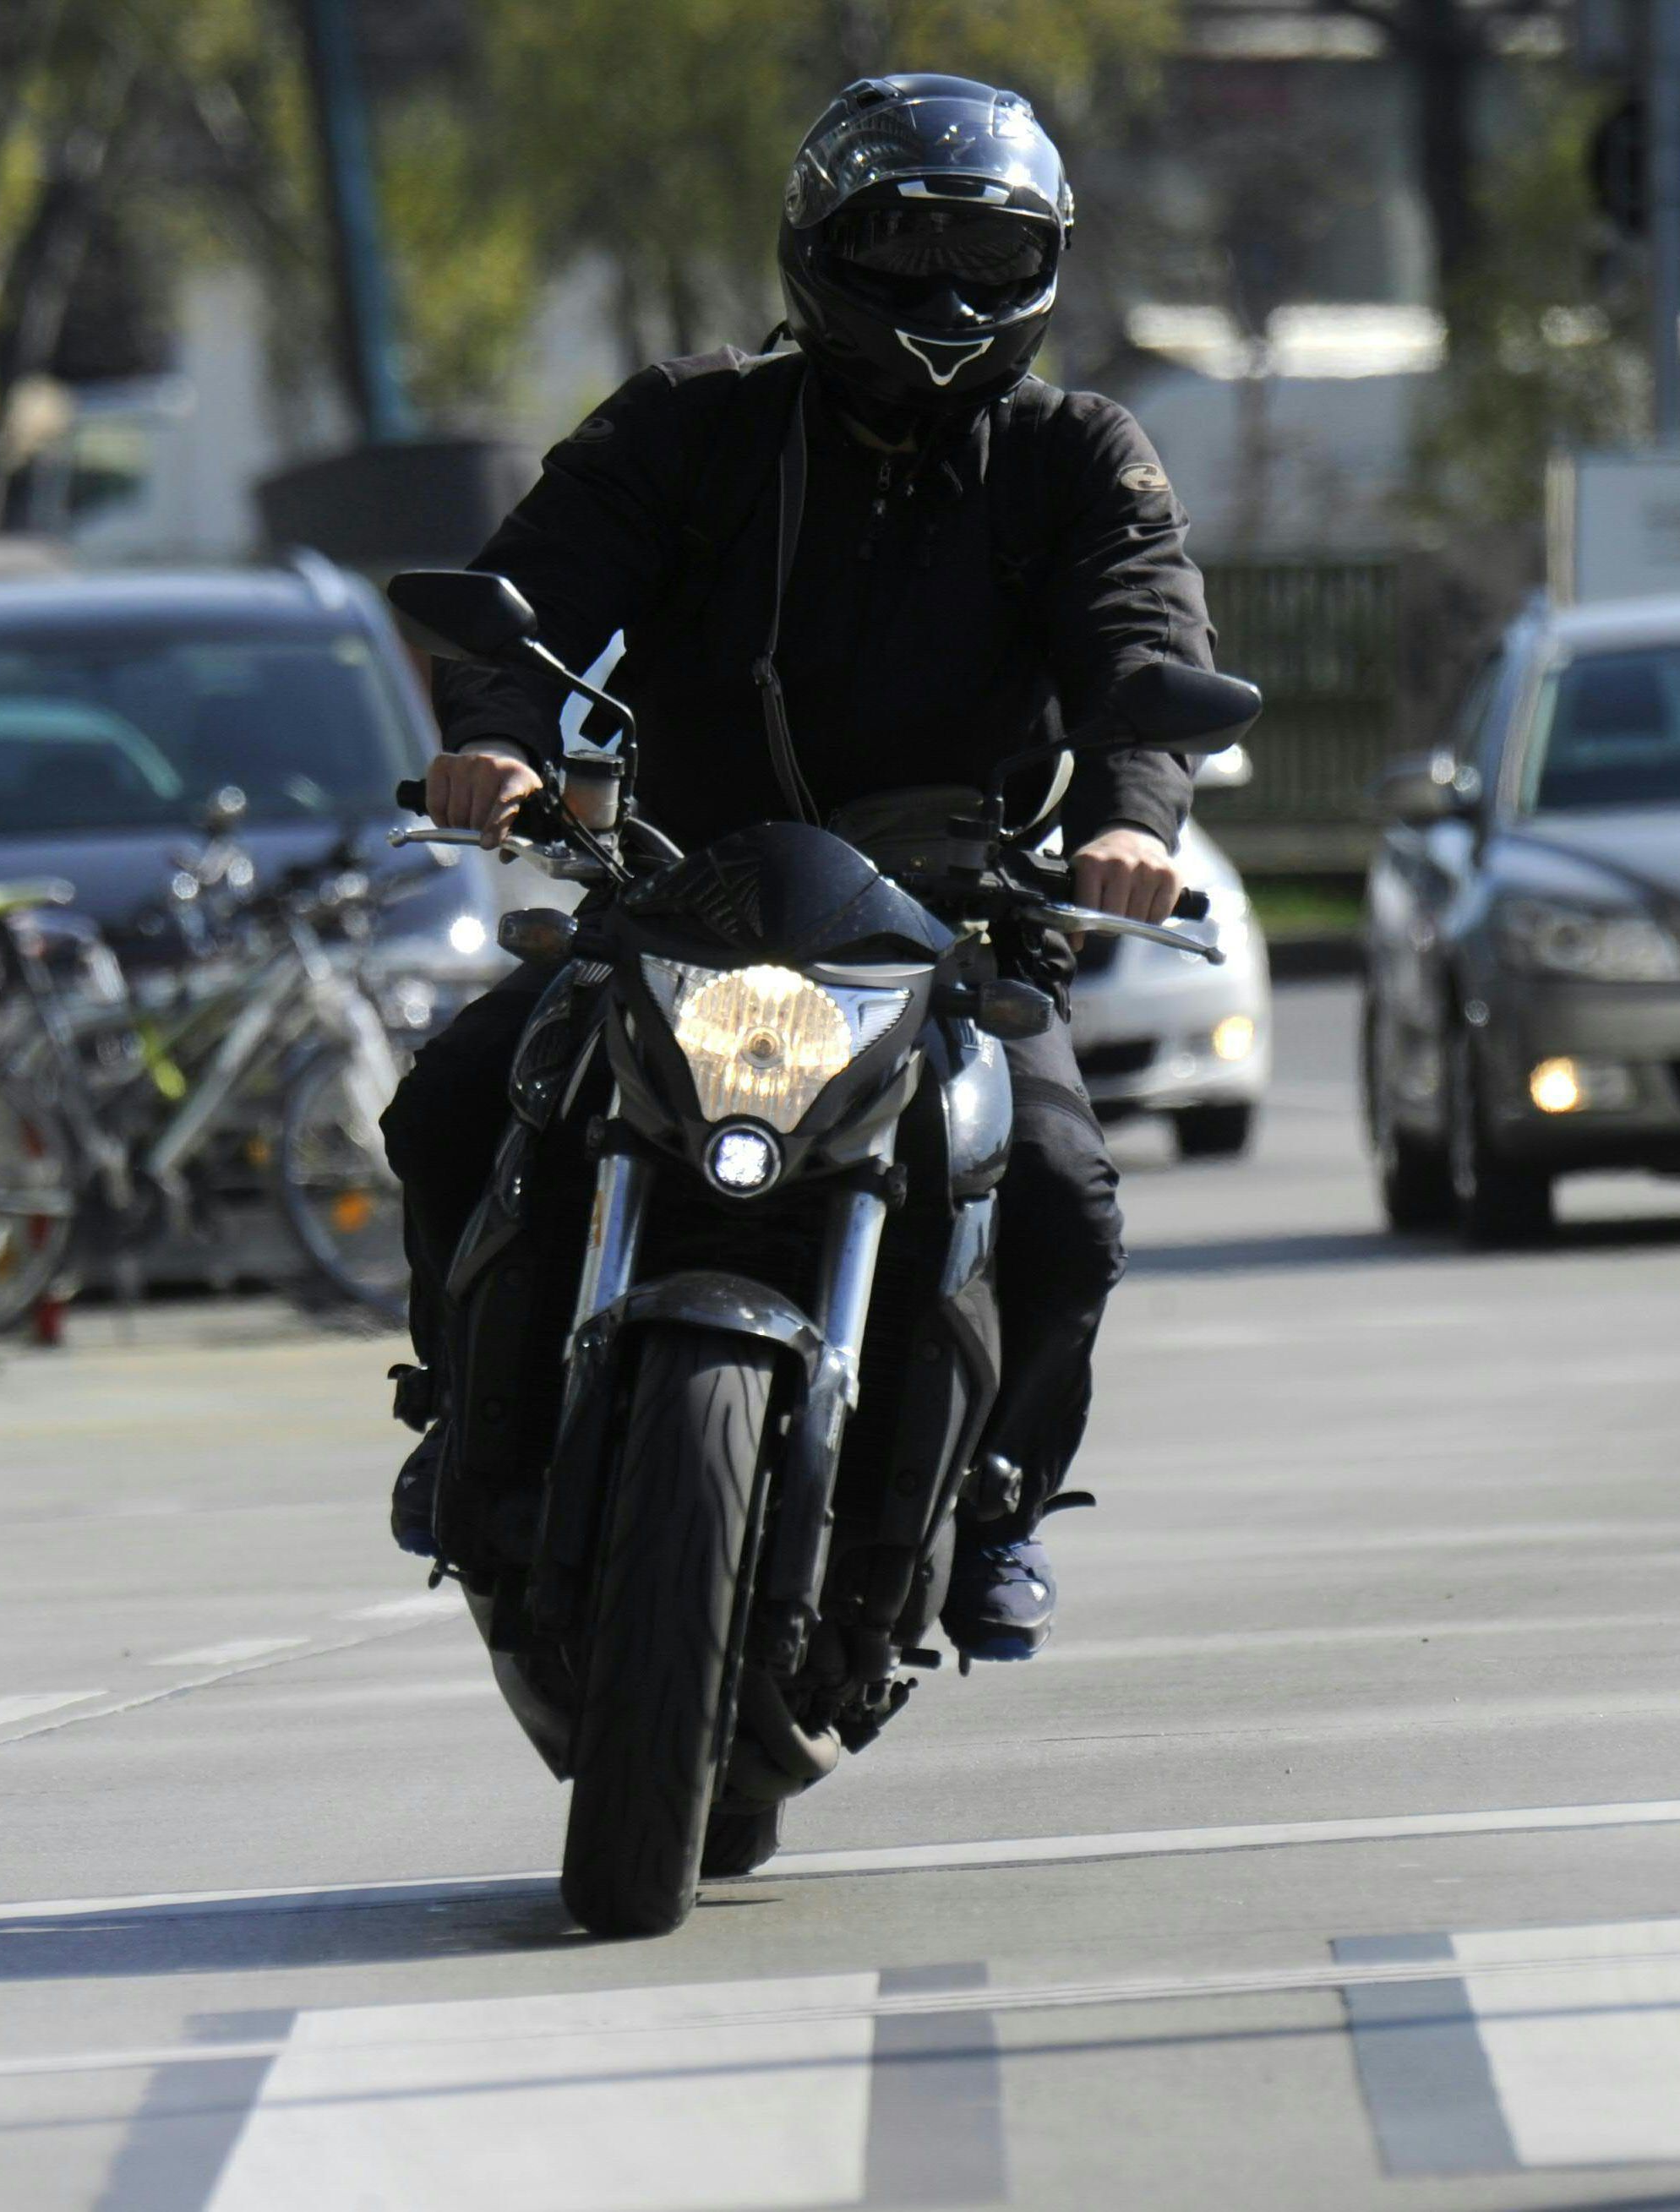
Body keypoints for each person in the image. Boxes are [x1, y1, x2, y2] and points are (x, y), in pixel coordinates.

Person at [381, 74, 1218, 1661]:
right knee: (449, 1105)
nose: (945, 293)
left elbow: (1145, 649)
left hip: (946, 927)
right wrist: (492, 736)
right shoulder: (687, 425)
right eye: (900, 248)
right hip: (682, 896)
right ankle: (468, 1421)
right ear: (818, 248)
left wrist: (1129, 823)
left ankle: (997, 1504)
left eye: (987, 254)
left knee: (1057, 1197)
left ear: (1046, 263)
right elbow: (523, 599)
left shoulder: (1079, 459)